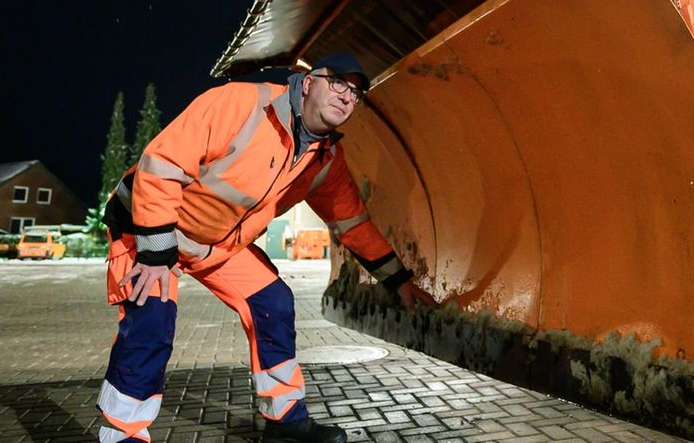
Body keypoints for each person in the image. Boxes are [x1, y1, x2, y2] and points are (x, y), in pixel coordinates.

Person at [95, 53, 438, 443]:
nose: (347, 96)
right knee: (152, 323)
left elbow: (354, 225)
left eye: (356, 93)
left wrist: (399, 282)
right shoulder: (240, 104)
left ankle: (285, 421)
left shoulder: (325, 160)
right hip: (149, 230)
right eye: (338, 83)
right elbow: (160, 166)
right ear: (307, 83)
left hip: (216, 244)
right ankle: (124, 435)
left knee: (274, 303)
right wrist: (156, 254)